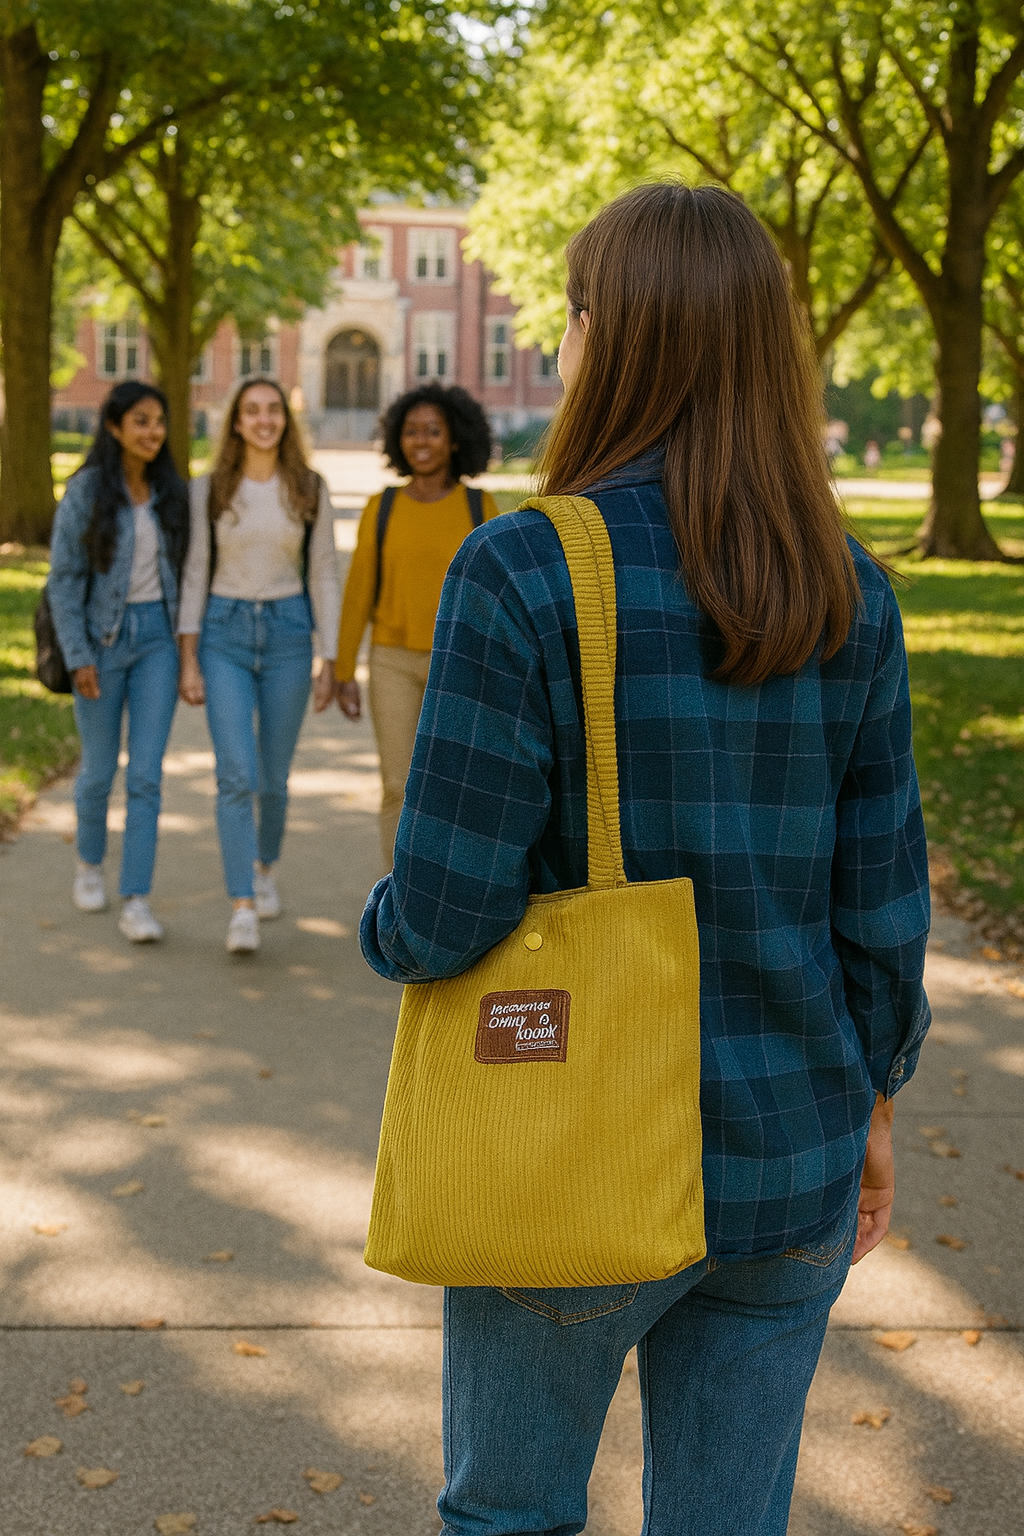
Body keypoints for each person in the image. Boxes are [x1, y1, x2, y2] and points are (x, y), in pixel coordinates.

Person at [360, 184, 930, 1535]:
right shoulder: (847, 587)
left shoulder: (522, 573)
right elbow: (883, 911)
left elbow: (445, 911)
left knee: (511, 1516)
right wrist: (877, 1107)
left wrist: (384, 928)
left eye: (572, 314)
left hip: (573, 1150)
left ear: (615, 339)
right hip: (788, 1153)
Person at [177, 378, 339, 954]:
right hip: (223, 633)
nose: (264, 420)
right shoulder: (211, 488)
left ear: (285, 422)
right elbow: (195, 569)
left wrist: (331, 657)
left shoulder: (309, 487)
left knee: (273, 778)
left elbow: (322, 572)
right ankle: (241, 903)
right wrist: (188, 656)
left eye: (274, 411)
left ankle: (265, 866)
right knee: (235, 774)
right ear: (237, 422)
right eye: (252, 411)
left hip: (290, 633)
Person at [334, 383, 499, 866]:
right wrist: (343, 670)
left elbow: (495, 597)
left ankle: (452, 892)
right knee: (397, 785)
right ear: (396, 441)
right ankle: (398, 900)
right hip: (392, 663)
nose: (421, 440)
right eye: (411, 432)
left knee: (457, 788)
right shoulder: (382, 507)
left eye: (433, 431)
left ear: (454, 440)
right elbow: (358, 592)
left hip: (462, 664)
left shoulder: (478, 508)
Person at [47, 381, 189, 943]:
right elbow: (64, 580)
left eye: (159, 421)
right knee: (99, 771)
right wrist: (78, 654)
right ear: (113, 427)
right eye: (140, 421)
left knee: (147, 775)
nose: (152, 432)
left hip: (156, 638)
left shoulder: (170, 491)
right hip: (100, 642)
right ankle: (88, 862)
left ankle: (137, 898)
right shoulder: (85, 491)